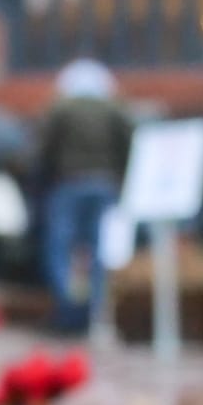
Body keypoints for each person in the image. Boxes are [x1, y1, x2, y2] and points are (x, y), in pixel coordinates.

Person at [34, 60, 132, 336]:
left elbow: (45, 149)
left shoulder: (61, 108)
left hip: (69, 183)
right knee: (100, 250)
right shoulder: (114, 108)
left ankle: (69, 308)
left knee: (60, 248)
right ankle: (96, 310)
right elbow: (129, 142)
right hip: (105, 184)